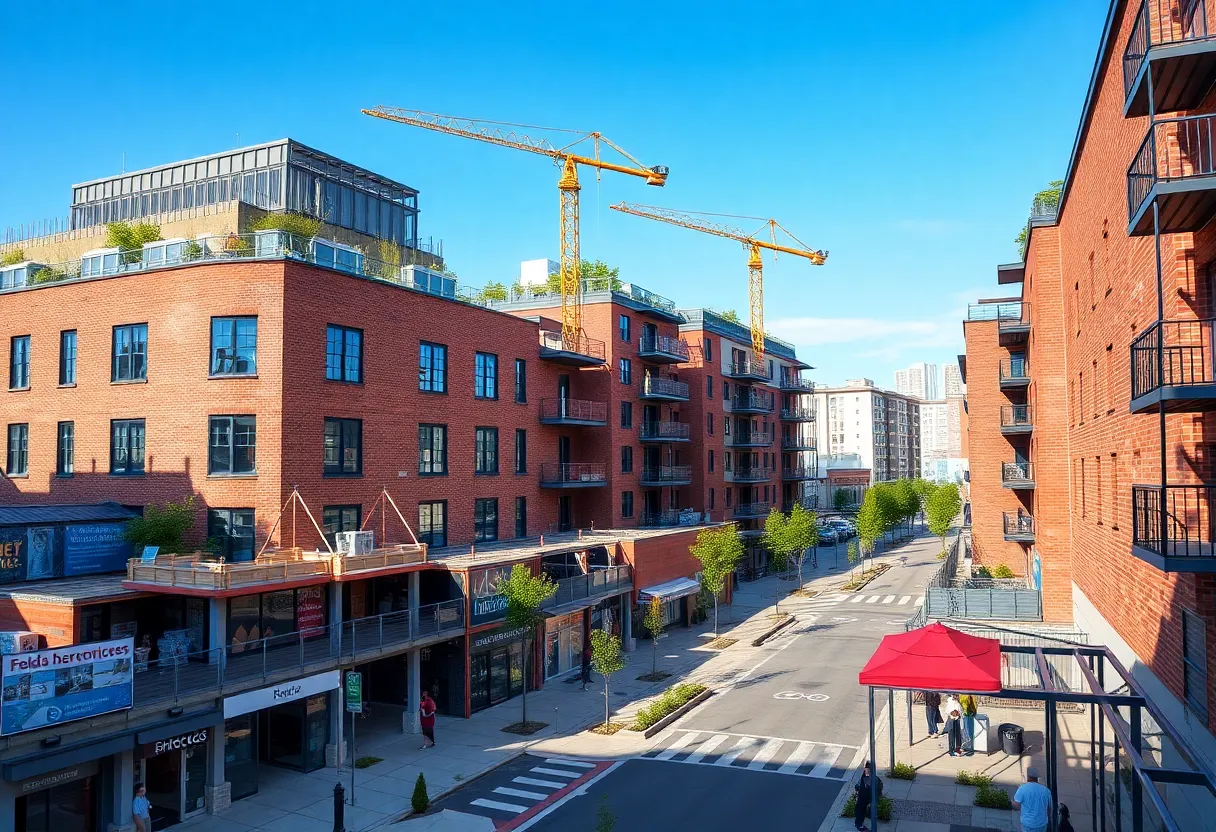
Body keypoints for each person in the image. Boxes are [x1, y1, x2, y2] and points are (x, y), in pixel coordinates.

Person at [1012, 767, 1053, 832]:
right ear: (1037, 778)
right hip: (1042, 824)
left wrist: (1011, 803)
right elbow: (1048, 809)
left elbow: (1017, 807)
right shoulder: (1046, 791)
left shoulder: (1022, 789)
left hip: (1027, 824)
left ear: (1028, 776)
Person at [854, 760, 883, 831]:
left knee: (861, 809)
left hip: (865, 795)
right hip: (865, 796)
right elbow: (867, 783)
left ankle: (860, 823)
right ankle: (859, 824)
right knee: (861, 809)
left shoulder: (868, 773)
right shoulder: (868, 773)